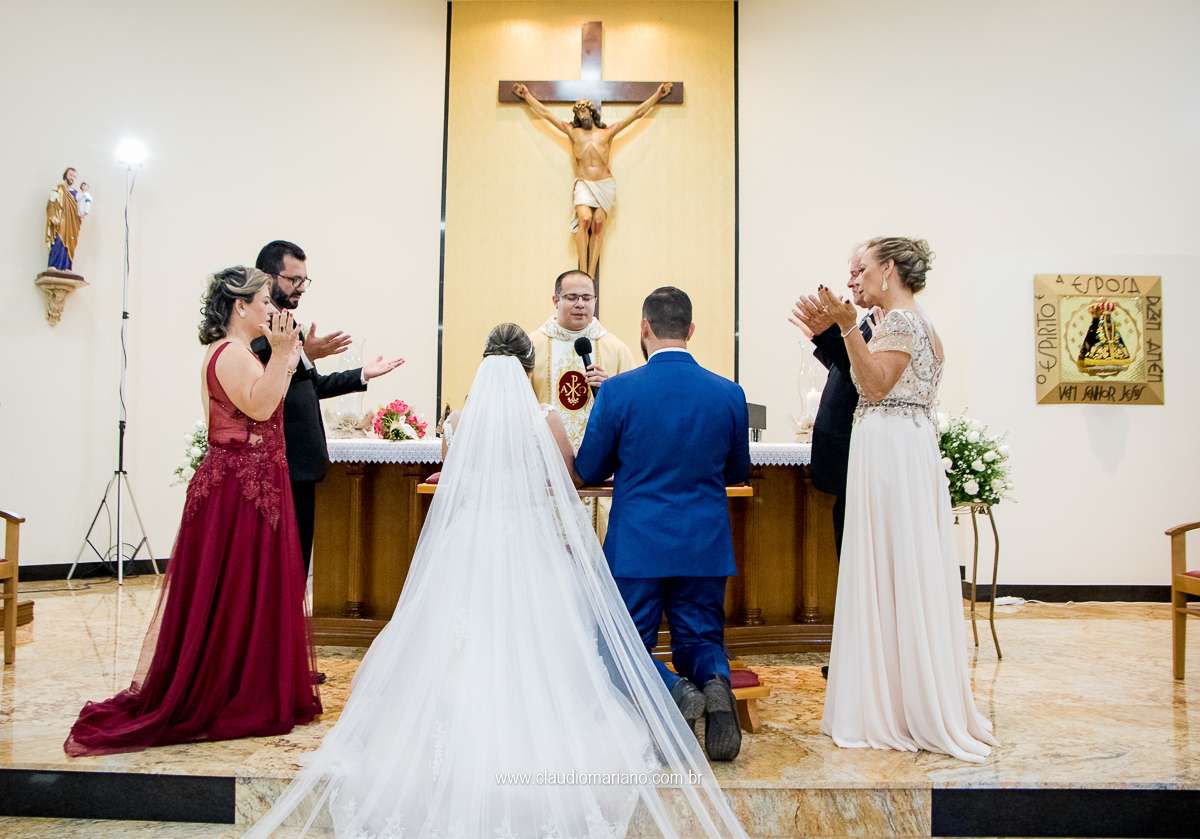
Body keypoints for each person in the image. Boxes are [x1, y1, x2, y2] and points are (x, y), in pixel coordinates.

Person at [243, 324, 749, 839]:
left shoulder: (458, 421)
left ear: (484, 364)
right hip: (541, 543)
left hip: (467, 545)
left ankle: (670, 691)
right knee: (610, 642)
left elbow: (455, 481)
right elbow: (572, 478)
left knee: (458, 646)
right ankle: (702, 685)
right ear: (529, 369)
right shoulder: (544, 418)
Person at [65, 267, 321, 756]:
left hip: (250, 483)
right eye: (265, 301)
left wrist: (286, 358)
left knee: (242, 589)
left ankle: (241, 680)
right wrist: (284, 355)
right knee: (237, 589)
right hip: (241, 489)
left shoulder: (237, 352)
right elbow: (262, 408)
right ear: (240, 306)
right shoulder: (232, 353)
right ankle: (229, 691)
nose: (272, 309)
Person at [816, 238, 999, 763]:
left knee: (888, 566)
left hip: (891, 451)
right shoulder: (922, 322)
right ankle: (906, 691)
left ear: (889, 269)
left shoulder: (899, 321)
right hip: (904, 445)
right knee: (903, 568)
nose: (855, 279)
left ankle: (891, 706)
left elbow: (874, 387)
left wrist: (847, 327)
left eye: (863, 269)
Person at [576, 287, 751, 761]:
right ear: (691, 330)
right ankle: (714, 682)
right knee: (701, 638)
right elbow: (737, 472)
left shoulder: (618, 391)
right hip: (705, 542)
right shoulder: (728, 393)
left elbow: (589, 468)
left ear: (644, 328)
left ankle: (675, 691)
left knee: (620, 646)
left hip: (639, 543)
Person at [251, 240, 403, 576]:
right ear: (268, 277)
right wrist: (304, 355)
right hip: (279, 462)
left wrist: (361, 374)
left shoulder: (289, 325)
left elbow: (311, 387)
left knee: (296, 564)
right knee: (277, 567)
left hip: (301, 464)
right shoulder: (257, 325)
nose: (301, 287)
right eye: (294, 279)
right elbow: (263, 386)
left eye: (304, 280)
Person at [513, 82, 673, 277]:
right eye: (579, 113)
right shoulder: (572, 132)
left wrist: (657, 96)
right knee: (585, 219)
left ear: (591, 111)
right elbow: (546, 114)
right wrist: (527, 96)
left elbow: (636, 114)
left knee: (598, 224)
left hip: (604, 185)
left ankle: (589, 275)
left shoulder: (607, 132)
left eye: (585, 111)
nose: (583, 116)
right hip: (583, 183)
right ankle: (582, 271)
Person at [529, 269, 636, 536]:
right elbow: (520, 406)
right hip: (546, 472)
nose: (580, 304)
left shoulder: (616, 349)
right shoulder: (533, 346)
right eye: (572, 297)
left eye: (587, 298)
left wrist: (610, 389)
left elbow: (634, 410)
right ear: (555, 300)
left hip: (600, 474)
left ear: (595, 301)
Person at [789, 243, 879, 558]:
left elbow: (866, 378)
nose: (851, 282)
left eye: (859, 272)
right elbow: (850, 371)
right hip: (847, 462)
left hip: (860, 456)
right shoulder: (869, 320)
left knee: (860, 556)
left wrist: (830, 335)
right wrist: (821, 337)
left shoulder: (886, 322)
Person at [45, 167, 81, 272]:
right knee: (58, 241)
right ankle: (53, 264)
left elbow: (79, 209)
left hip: (71, 224)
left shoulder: (76, 194)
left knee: (70, 244)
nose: (72, 178)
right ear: (65, 175)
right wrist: (52, 216)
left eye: (74, 176)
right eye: (70, 175)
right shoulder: (58, 189)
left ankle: (67, 266)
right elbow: (51, 204)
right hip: (60, 222)